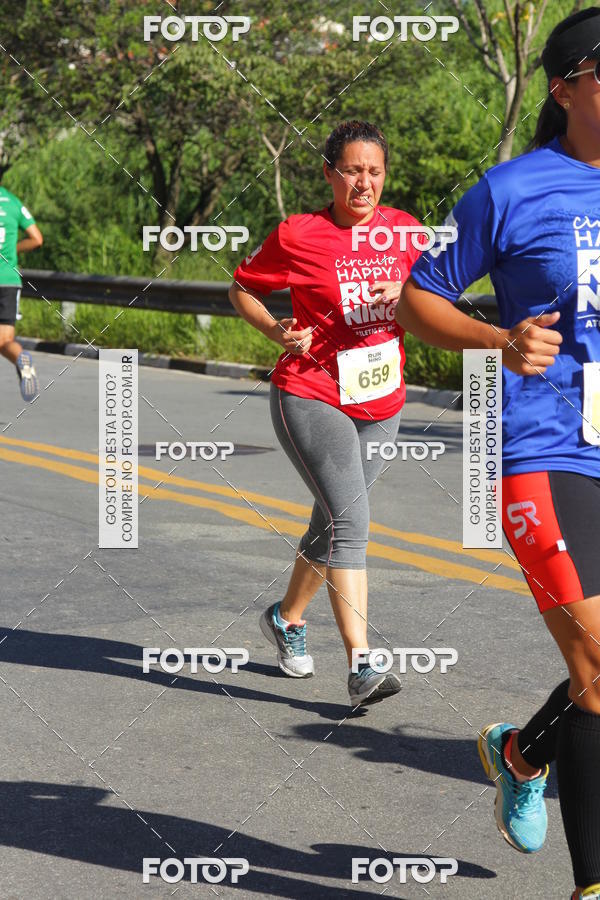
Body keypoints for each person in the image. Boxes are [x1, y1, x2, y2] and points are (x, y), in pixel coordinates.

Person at [396, 8, 600, 898]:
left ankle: (523, 755)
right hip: (547, 451)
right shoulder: (510, 190)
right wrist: (498, 339)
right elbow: (416, 297)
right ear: (566, 86)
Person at [229, 120, 423, 706]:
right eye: (352, 171)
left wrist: (406, 291)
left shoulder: (407, 231)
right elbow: (242, 288)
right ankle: (362, 664)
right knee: (352, 525)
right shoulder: (299, 234)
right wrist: (276, 331)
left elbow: (442, 290)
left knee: (332, 523)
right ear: (329, 173)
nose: (364, 183)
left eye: (375, 172)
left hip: (383, 401)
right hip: (312, 393)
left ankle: (287, 619)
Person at [0, 183, 43, 400]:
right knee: (5, 340)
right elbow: (37, 238)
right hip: (9, 280)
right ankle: (21, 358)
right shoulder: (13, 202)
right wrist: (11, 251)